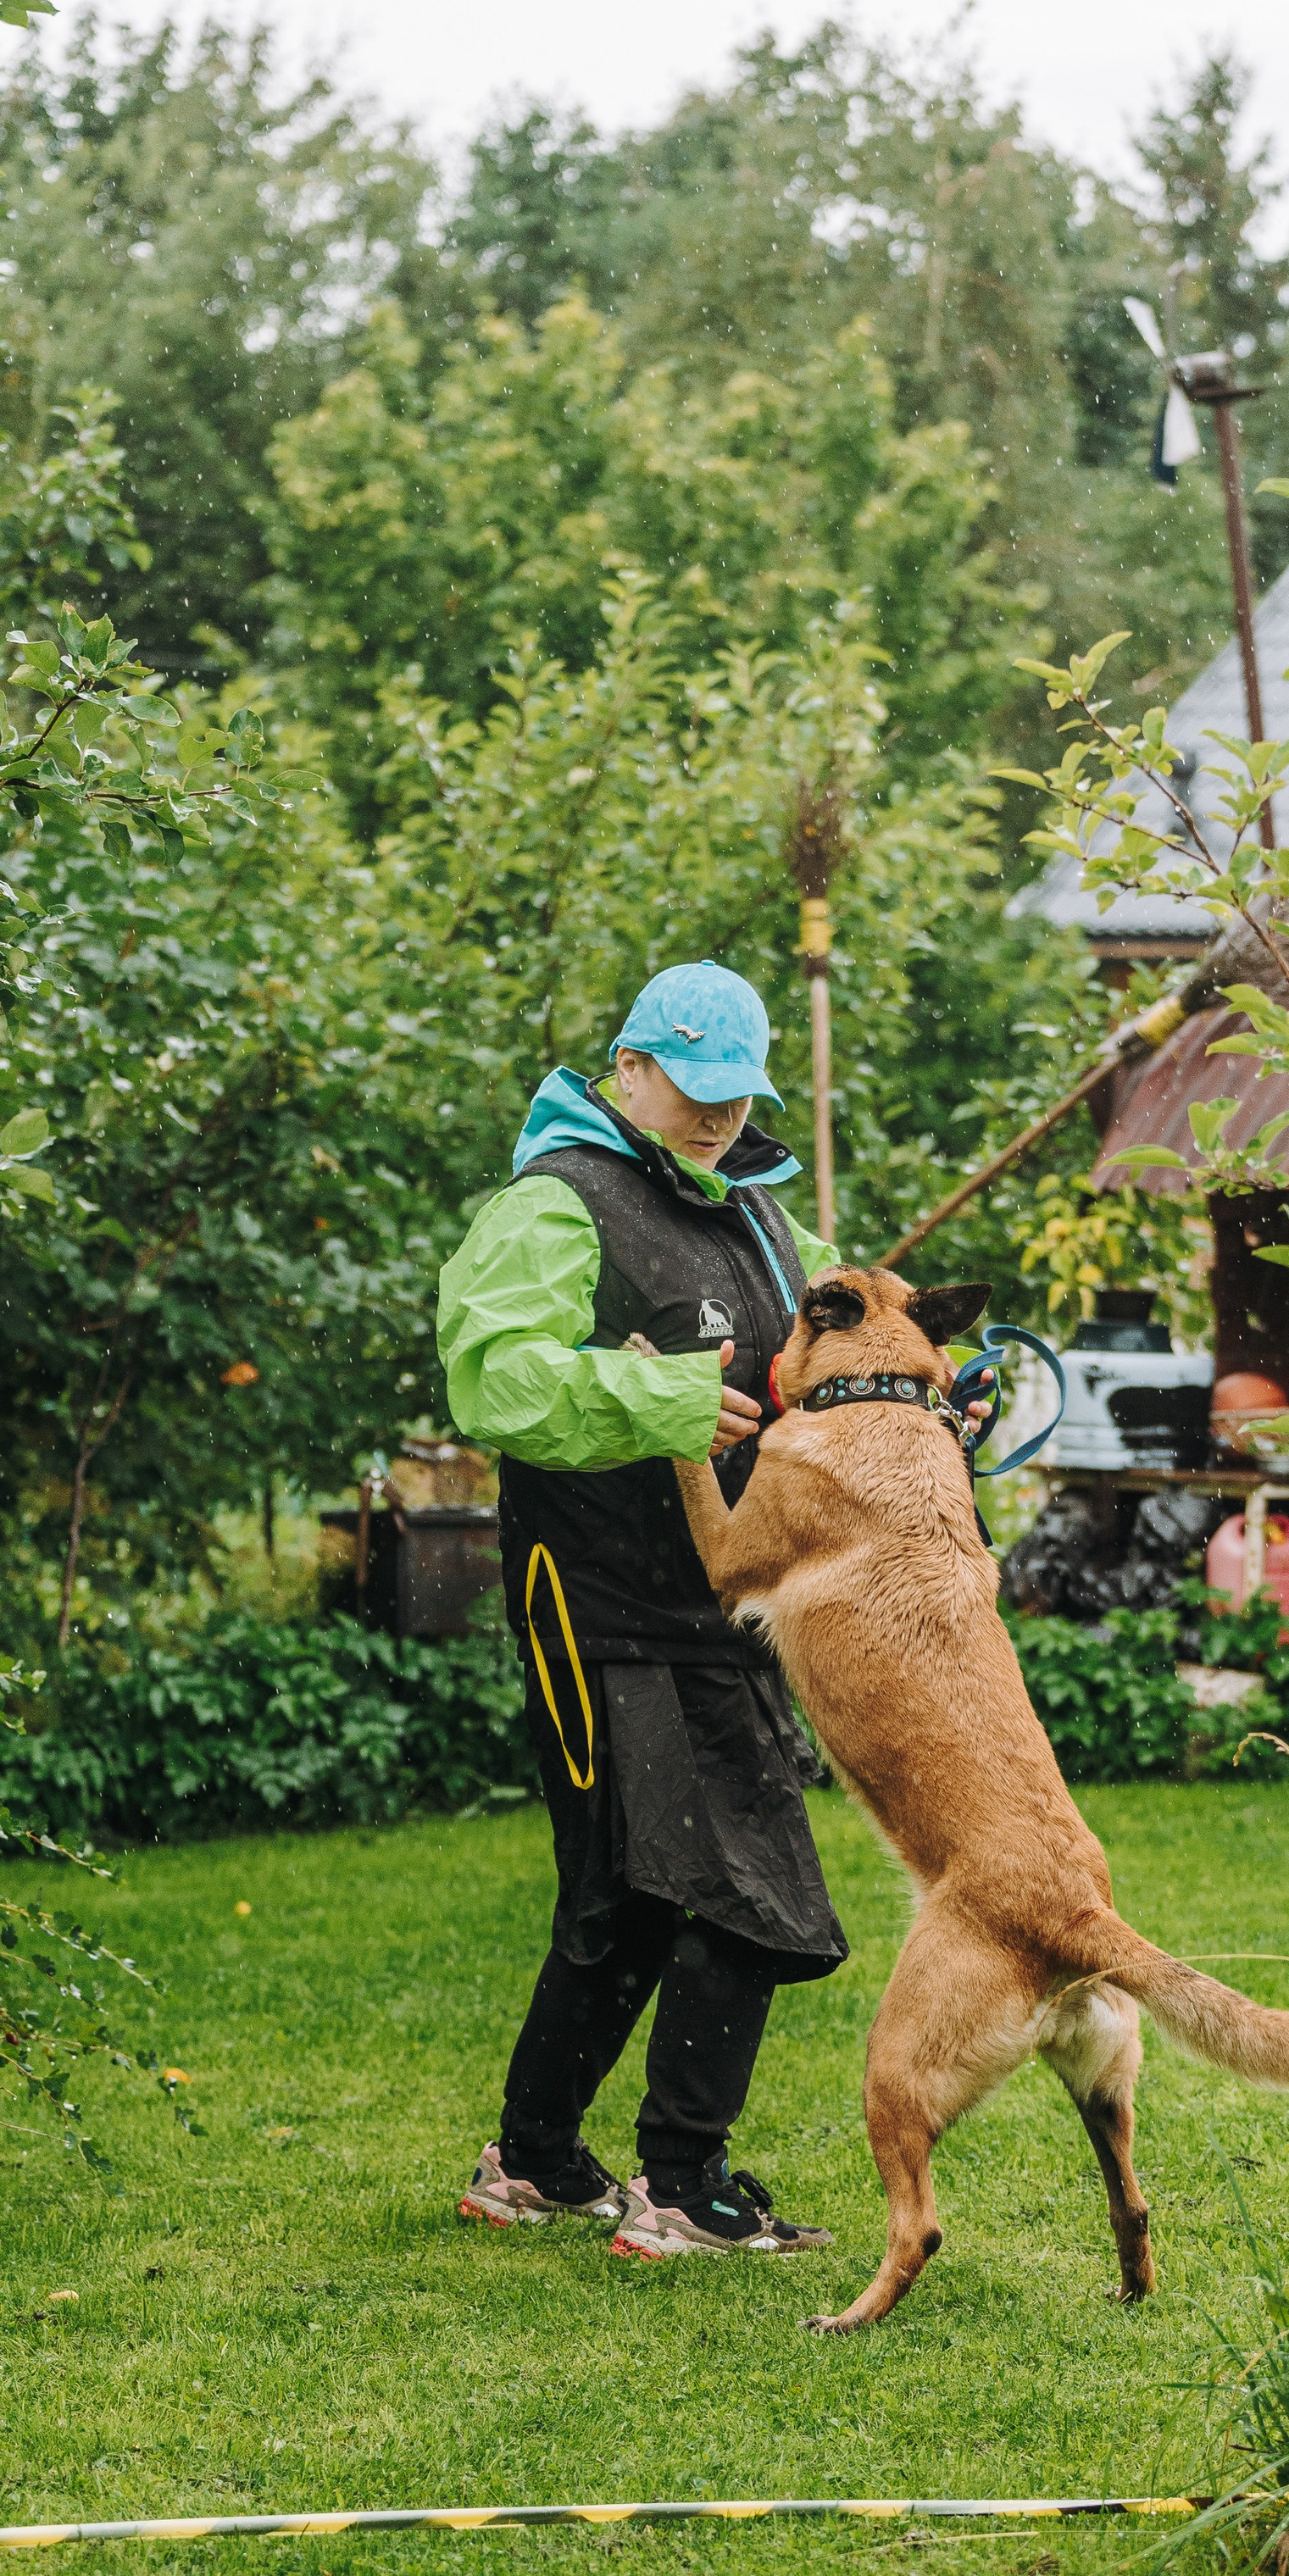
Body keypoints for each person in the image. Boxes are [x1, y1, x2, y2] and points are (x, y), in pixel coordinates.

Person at [436, 961, 853, 2258]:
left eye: (739, 1094)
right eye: (694, 1088)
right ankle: (683, 2186)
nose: (721, 1118)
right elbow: (494, 1380)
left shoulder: (770, 1220)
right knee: (723, 1884)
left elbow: (837, 1343)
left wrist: (930, 1383)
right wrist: (655, 1404)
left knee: (630, 1896)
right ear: (628, 1069)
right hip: (594, 1606)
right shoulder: (556, 1203)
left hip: (724, 1604)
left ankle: (540, 2162)